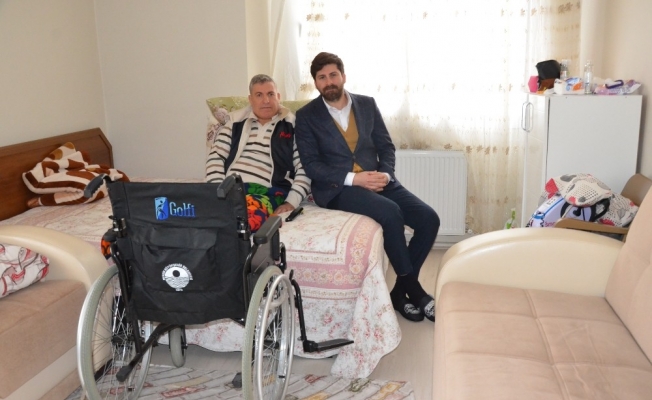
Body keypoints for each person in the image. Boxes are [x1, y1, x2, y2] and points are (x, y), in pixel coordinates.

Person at [295, 52, 440, 322]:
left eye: (333, 75)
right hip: (339, 189)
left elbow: (386, 146)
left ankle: (399, 293)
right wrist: (354, 179)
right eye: (322, 77)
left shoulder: (366, 104)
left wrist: (385, 174)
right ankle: (416, 292)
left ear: (343, 76)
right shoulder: (306, 116)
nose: (328, 82)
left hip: (377, 179)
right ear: (315, 83)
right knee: (390, 213)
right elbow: (312, 165)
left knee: (429, 219)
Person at [206, 74, 311, 231]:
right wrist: (218, 192)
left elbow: (304, 167)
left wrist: (291, 202)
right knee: (191, 211)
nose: (266, 100)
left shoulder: (293, 126)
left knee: (242, 218)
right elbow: (216, 157)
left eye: (270, 94)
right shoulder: (234, 122)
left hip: (267, 192)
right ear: (250, 99)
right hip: (231, 189)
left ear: (278, 97)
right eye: (259, 95)